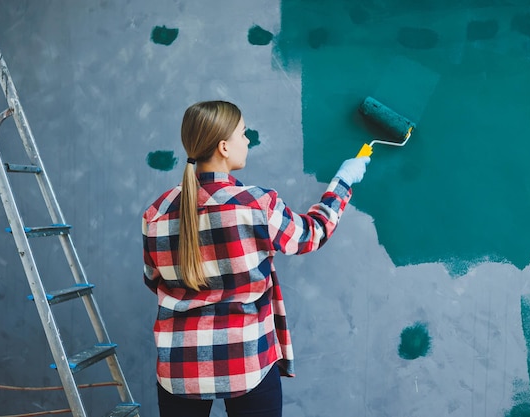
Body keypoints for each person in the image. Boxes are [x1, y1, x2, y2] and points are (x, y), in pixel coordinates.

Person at [142, 100, 369, 417]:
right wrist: (343, 182)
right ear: (223, 146)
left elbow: (153, 279)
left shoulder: (157, 212)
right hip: (247, 362)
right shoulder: (257, 205)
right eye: (243, 133)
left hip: (180, 368)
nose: (247, 141)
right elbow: (312, 233)